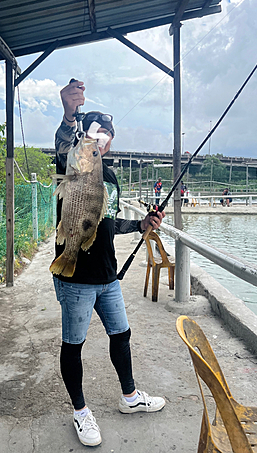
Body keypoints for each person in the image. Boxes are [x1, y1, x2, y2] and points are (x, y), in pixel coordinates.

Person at [52, 80, 166, 447]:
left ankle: (130, 397)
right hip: (75, 276)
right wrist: (70, 116)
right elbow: (65, 147)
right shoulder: (73, 161)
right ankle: (80, 412)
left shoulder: (107, 175)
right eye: (97, 133)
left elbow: (108, 221)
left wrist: (141, 225)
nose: (102, 140)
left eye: (107, 135)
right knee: (74, 344)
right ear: (87, 136)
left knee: (122, 334)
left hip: (107, 275)